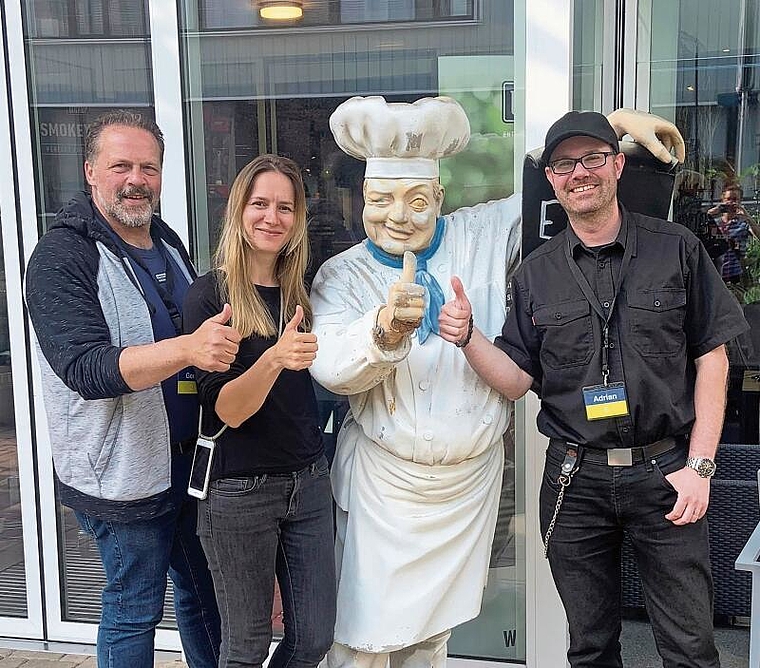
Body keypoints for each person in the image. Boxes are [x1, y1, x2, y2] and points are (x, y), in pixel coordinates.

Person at [309, 96, 687, 668]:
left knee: (432, 636)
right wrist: (384, 331)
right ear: (361, 201)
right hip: (385, 486)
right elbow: (331, 367)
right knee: (362, 640)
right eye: (380, 201)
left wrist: (610, 130)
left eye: (415, 201)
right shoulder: (342, 275)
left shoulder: (477, 234)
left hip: (465, 486)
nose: (398, 216)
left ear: (438, 196)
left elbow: (549, 188)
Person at [439, 110, 749, 668]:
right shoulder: (535, 273)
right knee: (590, 648)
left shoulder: (675, 248)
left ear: (617, 167)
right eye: (563, 164)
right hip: (573, 482)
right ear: (552, 180)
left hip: (666, 475)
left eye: (592, 159)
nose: (578, 173)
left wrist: (701, 466)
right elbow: (516, 380)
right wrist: (467, 339)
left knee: (690, 648)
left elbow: (714, 356)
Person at [25, 111, 231, 667]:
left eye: (149, 167)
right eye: (121, 166)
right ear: (91, 171)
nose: (136, 179)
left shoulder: (165, 240)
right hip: (121, 476)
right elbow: (86, 369)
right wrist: (188, 350)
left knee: (201, 594)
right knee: (134, 608)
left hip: (188, 466)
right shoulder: (62, 256)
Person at [182, 154, 336, 668]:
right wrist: (272, 359)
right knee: (245, 648)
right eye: (260, 203)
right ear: (238, 210)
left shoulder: (302, 291)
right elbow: (227, 410)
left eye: (285, 207)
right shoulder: (211, 296)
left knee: (313, 639)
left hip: (309, 483)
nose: (272, 217)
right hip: (238, 492)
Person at [707, 184, 757, 283]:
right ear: (723, 200)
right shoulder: (714, 223)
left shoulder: (742, 224)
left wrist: (747, 216)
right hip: (714, 276)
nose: (731, 203)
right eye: (728, 199)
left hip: (734, 277)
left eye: (735, 199)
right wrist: (709, 214)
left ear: (740, 201)